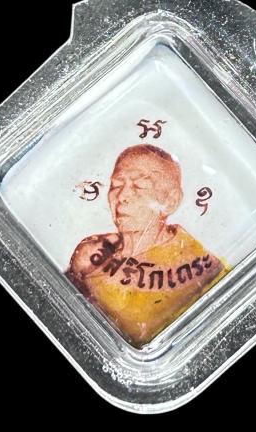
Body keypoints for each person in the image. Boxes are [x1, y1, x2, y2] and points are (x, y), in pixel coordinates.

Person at [65, 144, 228, 347]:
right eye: (116, 185)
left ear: (171, 201)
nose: (122, 196)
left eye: (139, 186)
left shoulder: (206, 272)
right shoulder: (90, 255)